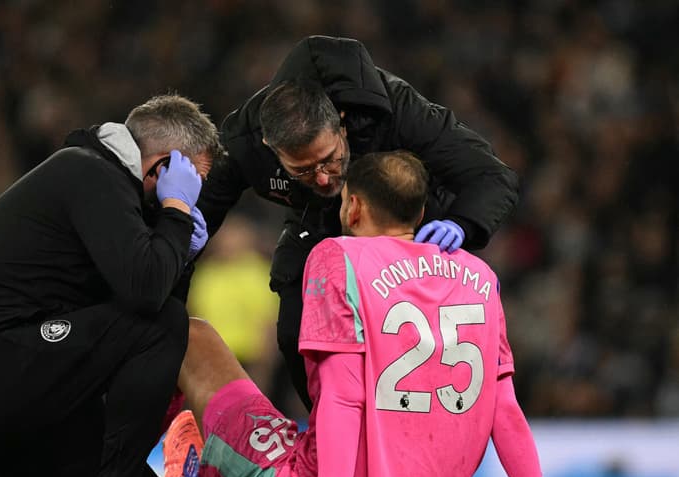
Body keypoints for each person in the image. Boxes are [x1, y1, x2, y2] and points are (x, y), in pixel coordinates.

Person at [162, 151, 621, 477]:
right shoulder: (480, 275)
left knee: (191, 334)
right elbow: (504, 408)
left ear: (353, 206)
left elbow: (342, 395)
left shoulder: (338, 256)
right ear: (420, 213)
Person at [0, 94, 223, 477]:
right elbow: (149, 300)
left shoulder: (109, 187)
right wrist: (174, 216)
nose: (193, 198)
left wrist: (179, 252)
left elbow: (136, 305)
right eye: (192, 180)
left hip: (14, 378)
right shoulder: (90, 174)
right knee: (164, 324)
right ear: (162, 168)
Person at [195, 35, 519, 411]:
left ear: (343, 123)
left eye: (330, 159)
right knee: (294, 332)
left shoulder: (396, 110)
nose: (322, 179)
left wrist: (462, 224)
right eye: (302, 170)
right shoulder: (244, 141)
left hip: (407, 226)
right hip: (317, 222)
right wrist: (181, 237)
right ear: (270, 146)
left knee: (403, 335)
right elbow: (206, 204)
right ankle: (326, 432)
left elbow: (491, 175)